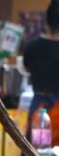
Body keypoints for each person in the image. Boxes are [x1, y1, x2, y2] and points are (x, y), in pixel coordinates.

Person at [23, 0, 59, 146]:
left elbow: (27, 69)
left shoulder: (32, 46)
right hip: (57, 112)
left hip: (39, 108)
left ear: (47, 21)